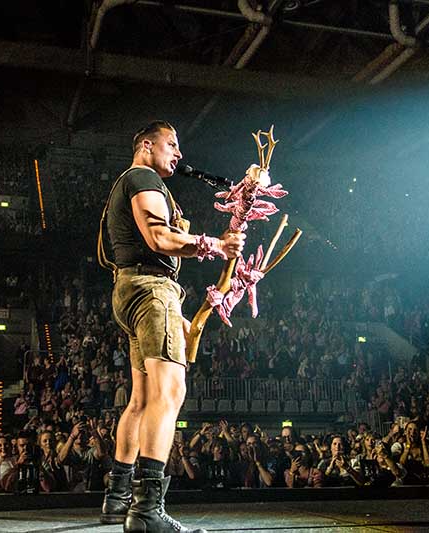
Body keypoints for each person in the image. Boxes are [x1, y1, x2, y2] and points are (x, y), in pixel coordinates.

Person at [98, 120, 245, 533]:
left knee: (141, 400)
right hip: (150, 288)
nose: (178, 153)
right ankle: (146, 511)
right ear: (146, 144)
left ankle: (117, 498)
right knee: (170, 391)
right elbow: (160, 238)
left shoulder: (127, 183)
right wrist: (215, 245)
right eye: (171, 143)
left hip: (131, 289)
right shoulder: (142, 177)